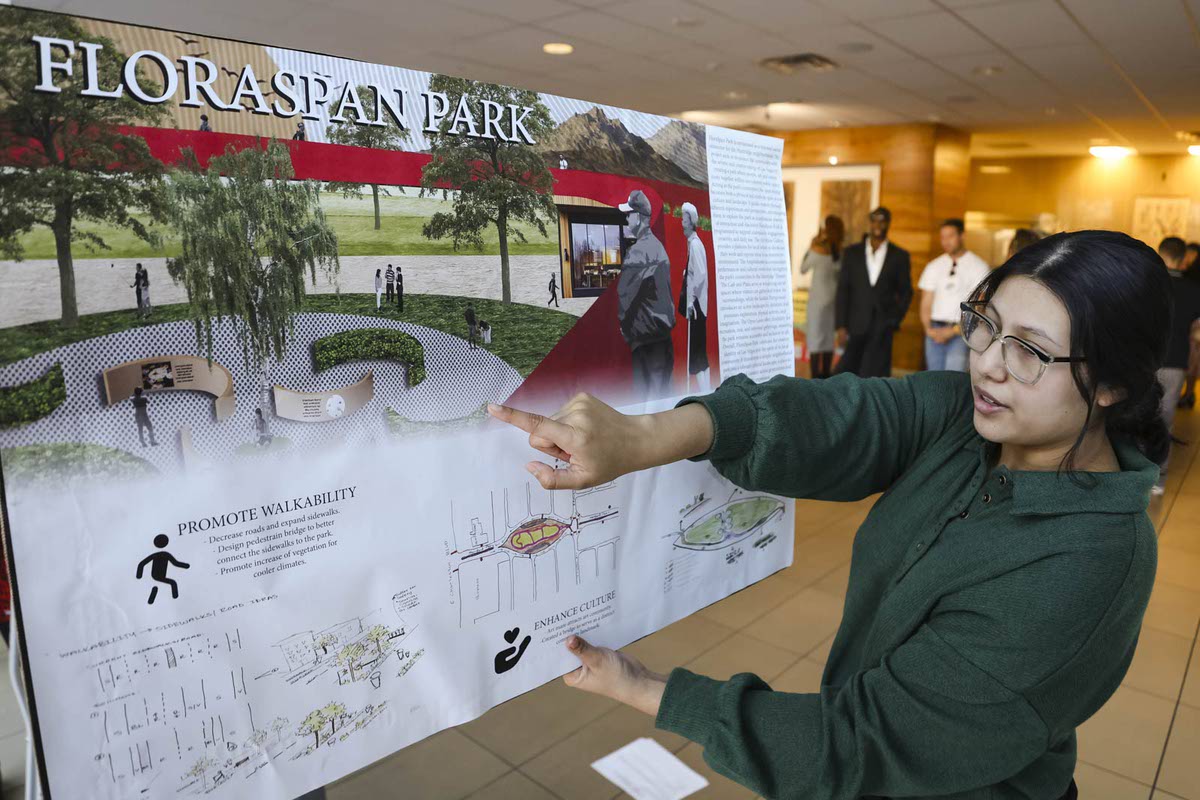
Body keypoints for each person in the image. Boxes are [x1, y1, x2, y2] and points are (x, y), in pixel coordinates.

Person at [488, 230, 1170, 800]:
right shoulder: (964, 418)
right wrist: (643, 437)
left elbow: (862, 742)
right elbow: (837, 420)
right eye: (986, 325)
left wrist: (644, 688)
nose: (988, 364)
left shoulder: (1089, 562)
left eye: (1029, 351)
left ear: (1112, 384)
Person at [835, 207, 912, 377]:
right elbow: (843, 290)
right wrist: (841, 326)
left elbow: (906, 292)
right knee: (847, 373)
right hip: (855, 324)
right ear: (870, 223)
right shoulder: (851, 253)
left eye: (882, 221)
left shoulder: (900, 256)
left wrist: (894, 319)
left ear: (888, 224)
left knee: (876, 375)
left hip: (883, 327)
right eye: (875, 221)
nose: (878, 225)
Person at [616, 189, 675, 398]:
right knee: (663, 403)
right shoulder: (658, 247)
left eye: (629, 214)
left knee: (646, 406)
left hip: (646, 344)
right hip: (663, 341)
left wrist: (625, 328)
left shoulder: (638, 252)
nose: (626, 219)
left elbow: (625, 297)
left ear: (639, 217)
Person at [1154, 236, 1200, 494]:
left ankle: (1133, 474)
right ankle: (1158, 479)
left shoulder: (1148, 284)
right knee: (1165, 419)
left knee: (1136, 414)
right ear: (1183, 259)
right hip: (1175, 362)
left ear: (1159, 253)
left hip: (1144, 359)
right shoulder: (1194, 290)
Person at [919, 219, 990, 372]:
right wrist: (928, 329)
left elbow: (979, 307)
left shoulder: (979, 266)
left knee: (954, 378)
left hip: (961, 332)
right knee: (932, 378)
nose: (946, 241)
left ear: (962, 236)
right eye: (943, 237)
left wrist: (954, 331)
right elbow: (926, 302)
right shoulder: (934, 266)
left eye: (950, 236)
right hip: (934, 331)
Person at [800, 215, 844, 380]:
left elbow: (803, 268)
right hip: (833, 302)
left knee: (815, 340)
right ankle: (825, 377)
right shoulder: (840, 252)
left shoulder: (817, 249)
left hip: (817, 302)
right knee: (827, 341)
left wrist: (811, 245)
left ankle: (815, 378)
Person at [681, 202, 711, 392]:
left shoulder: (695, 245)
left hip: (697, 305)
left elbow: (700, 275)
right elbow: (696, 271)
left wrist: (691, 300)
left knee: (697, 353)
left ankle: (705, 391)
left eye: (684, 220)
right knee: (700, 351)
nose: (681, 223)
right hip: (699, 304)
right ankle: (706, 390)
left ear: (691, 222)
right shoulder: (694, 244)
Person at [135, 534, 190, 605]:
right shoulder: (164, 554)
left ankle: (174, 598)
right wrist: (139, 575)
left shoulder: (162, 554)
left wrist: (139, 575)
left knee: (172, 583)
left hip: (157, 576)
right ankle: (173, 597)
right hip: (156, 576)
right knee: (172, 583)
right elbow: (176, 563)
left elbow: (142, 563)